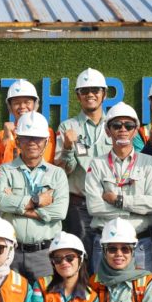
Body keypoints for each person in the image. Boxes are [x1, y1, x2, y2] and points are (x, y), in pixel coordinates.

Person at [85, 102, 152, 272]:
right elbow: (94, 206)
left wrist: (118, 200)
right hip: (105, 243)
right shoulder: (97, 164)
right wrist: (134, 210)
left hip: (139, 243)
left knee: (141, 288)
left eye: (129, 125)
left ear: (136, 130)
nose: (123, 129)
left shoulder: (149, 162)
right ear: (108, 131)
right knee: (100, 288)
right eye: (117, 125)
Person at [0, 110, 69, 281]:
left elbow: (59, 212)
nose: (32, 143)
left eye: (38, 138)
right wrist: (37, 201)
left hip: (44, 254)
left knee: (45, 297)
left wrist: (17, 208)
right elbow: (1, 202)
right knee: (10, 298)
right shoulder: (5, 170)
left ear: (46, 142)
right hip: (10, 253)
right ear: (18, 141)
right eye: (27, 138)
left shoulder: (57, 174)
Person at [55, 67, 112, 260]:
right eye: (84, 91)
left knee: (108, 257)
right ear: (78, 96)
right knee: (81, 259)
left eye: (95, 90)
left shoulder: (115, 125)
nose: (90, 95)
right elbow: (63, 171)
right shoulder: (68, 127)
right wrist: (68, 148)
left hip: (108, 204)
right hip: (79, 206)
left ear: (104, 94)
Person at [0, 79, 55, 177]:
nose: (22, 106)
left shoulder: (49, 133)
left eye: (27, 102)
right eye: (16, 103)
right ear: (10, 107)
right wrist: (6, 139)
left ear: (35, 104)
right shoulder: (0, 136)